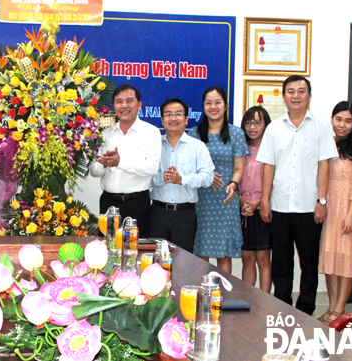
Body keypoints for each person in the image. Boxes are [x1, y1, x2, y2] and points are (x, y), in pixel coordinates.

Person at [257, 75, 338, 316]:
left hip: (309, 207)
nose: (295, 95)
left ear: (309, 96)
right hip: (280, 206)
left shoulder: (321, 126)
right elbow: (268, 166)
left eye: (301, 91)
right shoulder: (274, 128)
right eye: (290, 91)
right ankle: (282, 307)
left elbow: (325, 165)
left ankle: (305, 310)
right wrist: (264, 200)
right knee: (281, 263)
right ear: (283, 97)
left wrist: (321, 201)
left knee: (309, 264)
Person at [189, 86, 249, 274]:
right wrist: (206, 175)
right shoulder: (194, 133)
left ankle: (223, 297)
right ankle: (200, 296)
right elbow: (189, 166)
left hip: (225, 198)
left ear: (225, 106)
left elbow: (239, 168)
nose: (213, 106)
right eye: (208, 103)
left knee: (223, 253)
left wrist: (233, 184)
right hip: (201, 198)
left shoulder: (236, 133)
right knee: (200, 251)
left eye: (217, 102)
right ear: (203, 106)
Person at [317, 101, 352, 325]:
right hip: (329, 207)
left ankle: (340, 310)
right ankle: (332, 308)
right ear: (332, 119)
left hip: (346, 208)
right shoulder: (327, 144)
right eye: (339, 119)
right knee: (330, 258)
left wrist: (351, 213)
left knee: (345, 259)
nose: (342, 125)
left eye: (348, 121)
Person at [90, 84, 161, 237]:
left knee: (135, 252)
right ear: (114, 105)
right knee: (107, 250)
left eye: (129, 101)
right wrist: (103, 164)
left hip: (137, 204)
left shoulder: (151, 132)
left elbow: (151, 168)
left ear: (139, 105)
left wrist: (119, 163)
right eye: (119, 101)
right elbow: (94, 171)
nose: (124, 105)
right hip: (108, 201)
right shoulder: (105, 133)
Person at [150, 98, 214, 252]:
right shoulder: (153, 145)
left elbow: (208, 177)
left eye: (178, 114)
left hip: (185, 215)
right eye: (168, 114)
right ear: (162, 120)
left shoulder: (197, 146)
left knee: (183, 262)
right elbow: (144, 176)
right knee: (155, 260)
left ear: (186, 120)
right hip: (158, 213)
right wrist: (162, 178)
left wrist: (181, 180)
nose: (173, 118)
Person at [238, 106, 272, 293]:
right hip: (243, 210)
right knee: (247, 257)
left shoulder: (270, 150)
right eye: (248, 123)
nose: (252, 127)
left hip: (263, 209)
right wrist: (242, 201)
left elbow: (275, 181)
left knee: (263, 258)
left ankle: (265, 301)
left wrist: (258, 202)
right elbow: (234, 177)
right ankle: (249, 299)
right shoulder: (241, 149)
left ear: (265, 125)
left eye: (257, 123)